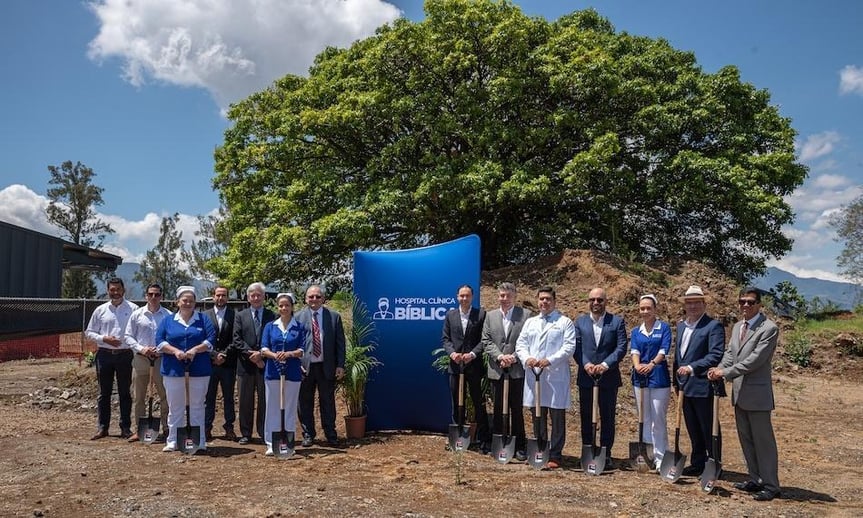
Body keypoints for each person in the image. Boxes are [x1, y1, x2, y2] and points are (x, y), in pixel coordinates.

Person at [708, 288, 781, 501]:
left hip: (758, 395)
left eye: (750, 302)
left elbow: (755, 360)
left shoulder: (769, 328)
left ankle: (771, 485)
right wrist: (718, 369)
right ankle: (756, 479)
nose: (745, 306)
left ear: (759, 304)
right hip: (740, 394)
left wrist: (725, 372)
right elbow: (731, 353)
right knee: (747, 440)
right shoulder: (739, 326)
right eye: (742, 302)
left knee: (763, 442)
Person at [515, 286, 576, 469]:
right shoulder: (531, 322)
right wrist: (527, 359)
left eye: (548, 299)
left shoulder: (564, 322)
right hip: (535, 375)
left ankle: (556, 454)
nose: (544, 302)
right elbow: (521, 344)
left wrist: (549, 361)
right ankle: (539, 450)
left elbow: (569, 347)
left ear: (554, 301)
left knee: (557, 416)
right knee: (538, 415)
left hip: (555, 375)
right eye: (541, 299)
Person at [154, 286, 216, 452]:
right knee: (175, 406)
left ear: (195, 302)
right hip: (173, 370)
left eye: (191, 300)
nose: (188, 303)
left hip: (199, 369)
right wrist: (175, 351)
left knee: (197, 405)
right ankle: (173, 440)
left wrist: (195, 350)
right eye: (184, 300)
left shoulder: (203, 320)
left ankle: (199, 440)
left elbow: (211, 340)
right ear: (178, 302)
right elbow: (159, 341)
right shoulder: (168, 320)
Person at [673, 285, 725, 477]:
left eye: (696, 302)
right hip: (685, 386)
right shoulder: (681, 326)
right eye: (689, 303)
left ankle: (714, 464)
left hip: (704, 384)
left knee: (708, 426)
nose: (692, 306)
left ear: (704, 304)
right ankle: (697, 463)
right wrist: (675, 382)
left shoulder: (713, 326)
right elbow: (678, 357)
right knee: (692, 427)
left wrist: (692, 368)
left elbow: (715, 354)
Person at [574, 287, 628, 465]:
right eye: (592, 300)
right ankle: (588, 449)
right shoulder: (580, 322)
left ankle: (606, 452)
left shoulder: (616, 322)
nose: (596, 303)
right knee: (587, 415)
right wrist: (586, 364)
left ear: (606, 301)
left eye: (600, 300)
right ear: (588, 301)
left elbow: (621, 348)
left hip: (608, 377)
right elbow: (577, 347)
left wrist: (605, 365)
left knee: (607, 417)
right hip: (586, 377)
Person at [482, 282, 532, 462]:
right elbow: (486, 340)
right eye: (502, 295)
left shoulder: (525, 315)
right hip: (497, 369)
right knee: (496, 408)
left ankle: (519, 445)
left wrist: (513, 357)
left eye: (508, 296)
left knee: (516, 409)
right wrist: (500, 357)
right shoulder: (490, 316)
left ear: (515, 297)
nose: (504, 299)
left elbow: (527, 341)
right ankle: (499, 441)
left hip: (516, 370)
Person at [86, 277, 138, 440]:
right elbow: (89, 332)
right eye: (112, 289)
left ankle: (125, 428)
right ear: (108, 290)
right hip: (104, 355)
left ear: (123, 290)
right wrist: (104, 339)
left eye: (118, 289)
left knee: (125, 393)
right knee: (104, 393)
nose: (115, 292)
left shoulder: (133, 309)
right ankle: (103, 427)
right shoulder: (100, 310)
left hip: (125, 355)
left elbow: (139, 330)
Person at [442, 284, 491, 453]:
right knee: (456, 402)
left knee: (478, 402)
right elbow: (446, 339)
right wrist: (452, 354)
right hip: (455, 367)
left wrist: (472, 354)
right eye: (461, 296)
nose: (464, 298)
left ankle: (485, 440)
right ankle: (457, 438)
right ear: (457, 297)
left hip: (474, 366)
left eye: (467, 296)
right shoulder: (450, 315)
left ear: (472, 297)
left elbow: (484, 340)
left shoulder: (481, 315)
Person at [296, 284, 346, 447]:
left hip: (327, 366)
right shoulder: (297, 317)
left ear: (323, 298)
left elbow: (340, 343)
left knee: (327, 401)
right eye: (311, 296)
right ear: (306, 299)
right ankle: (308, 434)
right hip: (305, 368)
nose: (314, 299)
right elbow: (292, 343)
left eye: (318, 296)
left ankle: (330, 434)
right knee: (304, 402)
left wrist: (340, 365)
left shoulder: (334, 317)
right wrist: (296, 364)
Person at [123, 282, 172, 442]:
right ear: (146, 296)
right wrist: (142, 349)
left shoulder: (168, 315)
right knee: (139, 396)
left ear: (161, 296)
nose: (153, 297)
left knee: (166, 396)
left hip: (161, 360)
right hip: (141, 359)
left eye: (157, 294)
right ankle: (139, 430)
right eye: (150, 294)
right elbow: (128, 336)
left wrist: (160, 349)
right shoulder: (137, 314)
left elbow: (172, 338)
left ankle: (166, 428)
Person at [629, 294, 672, 471]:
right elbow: (634, 350)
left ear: (655, 309)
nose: (645, 311)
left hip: (658, 377)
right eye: (642, 308)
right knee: (644, 418)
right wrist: (638, 365)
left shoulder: (664, 328)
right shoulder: (636, 331)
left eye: (648, 308)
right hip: (640, 377)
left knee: (658, 419)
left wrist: (652, 364)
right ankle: (647, 454)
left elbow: (664, 349)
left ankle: (661, 456)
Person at [260, 293, 306, 456]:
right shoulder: (270, 326)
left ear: (292, 307)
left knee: (290, 408)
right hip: (273, 372)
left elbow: (302, 350)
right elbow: (264, 348)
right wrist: (275, 355)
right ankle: (272, 443)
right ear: (277, 308)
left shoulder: (299, 327)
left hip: (292, 373)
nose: (284, 308)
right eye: (281, 305)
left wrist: (289, 354)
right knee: (272, 407)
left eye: (287, 305)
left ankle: (289, 442)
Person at [232, 282, 274, 445]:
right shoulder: (240, 316)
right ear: (248, 297)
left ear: (264, 297)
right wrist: (253, 355)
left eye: (259, 295)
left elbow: (274, 338)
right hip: (246, 365)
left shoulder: (272, 315)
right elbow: (236, 339)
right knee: (245, 400)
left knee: (265, 400)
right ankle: (246, 433)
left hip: (265, 365)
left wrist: (261, 355)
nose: (256, 298)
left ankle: (264, 432)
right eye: (252, 295)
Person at [204, 286, 238, 442]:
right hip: (209, 363)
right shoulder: (204, 316)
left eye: (223, 295)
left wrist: (224, 354)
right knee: (208, 396)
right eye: (218, 295)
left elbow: (236, 339)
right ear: (213, 297)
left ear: (227, 298)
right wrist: (213, 355)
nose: (220, 298)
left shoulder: (234, 316)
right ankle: (206, 427)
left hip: (227, 363)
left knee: (229, 397)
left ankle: (229, 427)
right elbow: (202, 338)